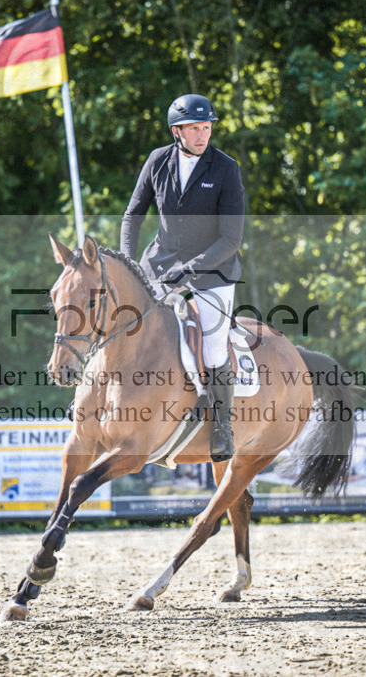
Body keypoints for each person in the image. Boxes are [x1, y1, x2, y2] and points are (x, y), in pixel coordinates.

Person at [120, 93, 245, 462]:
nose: (202, 135)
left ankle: (222, 426)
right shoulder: (158, 161)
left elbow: (231, 239)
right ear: (177, 131)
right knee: (119, 326)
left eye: (206, 128)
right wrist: (128, 263)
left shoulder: (225, 169)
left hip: (212, 274)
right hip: (158, 267)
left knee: (212, 347)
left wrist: (190, 270)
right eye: (194, 128)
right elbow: (132, 216)